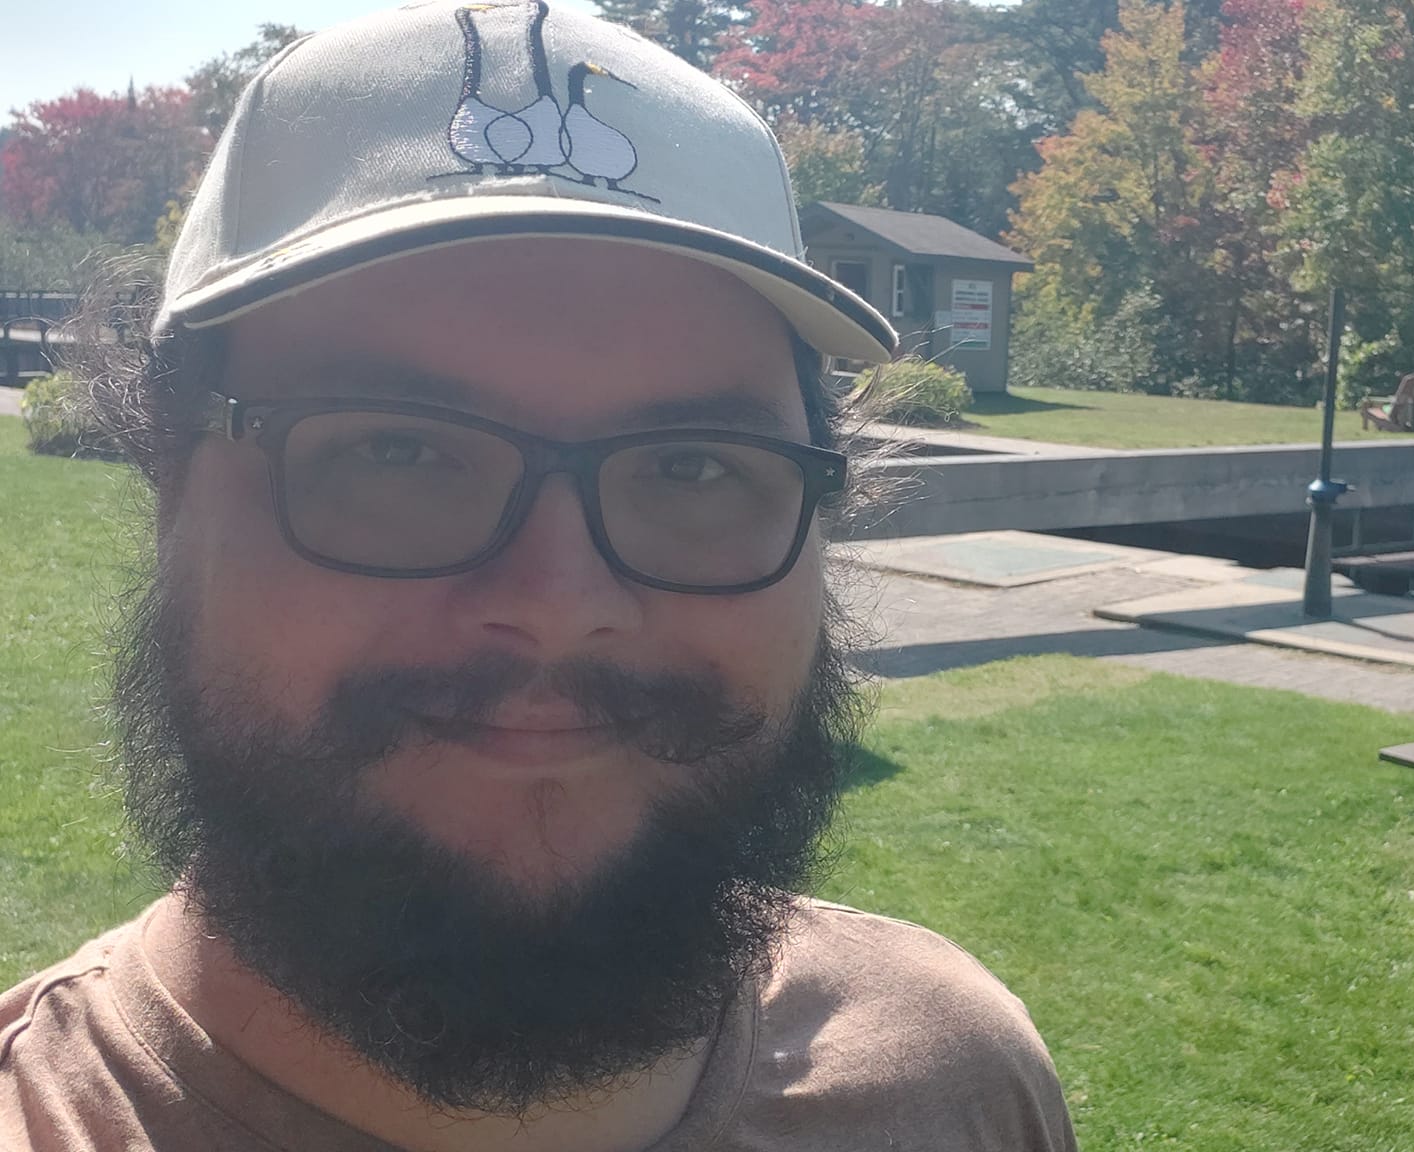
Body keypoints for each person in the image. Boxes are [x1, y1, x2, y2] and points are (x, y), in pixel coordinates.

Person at [0, 4, 1077, 1150]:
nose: (559, 604)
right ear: (170, 488)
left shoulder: (957, 1083)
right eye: (395, 450)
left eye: (692, 466)